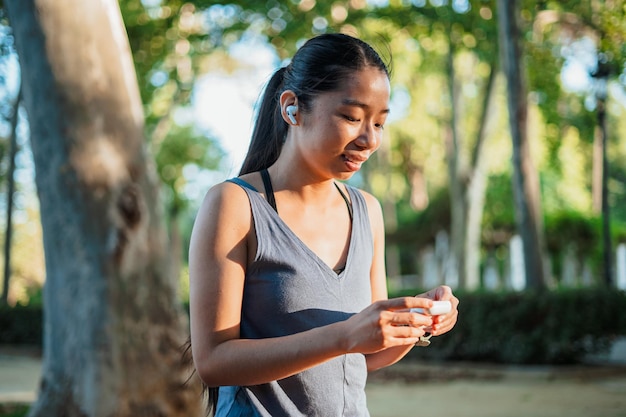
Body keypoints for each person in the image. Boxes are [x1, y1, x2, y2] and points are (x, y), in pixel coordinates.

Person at [188, 33, 459, 416]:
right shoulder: (236, 204)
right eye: (351, 117)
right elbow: (214, 362)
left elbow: (366, 355)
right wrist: (345, 335)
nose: (369, 139)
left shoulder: (367, 210)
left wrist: (419, 324)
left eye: (379, 123)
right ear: (292, 108)